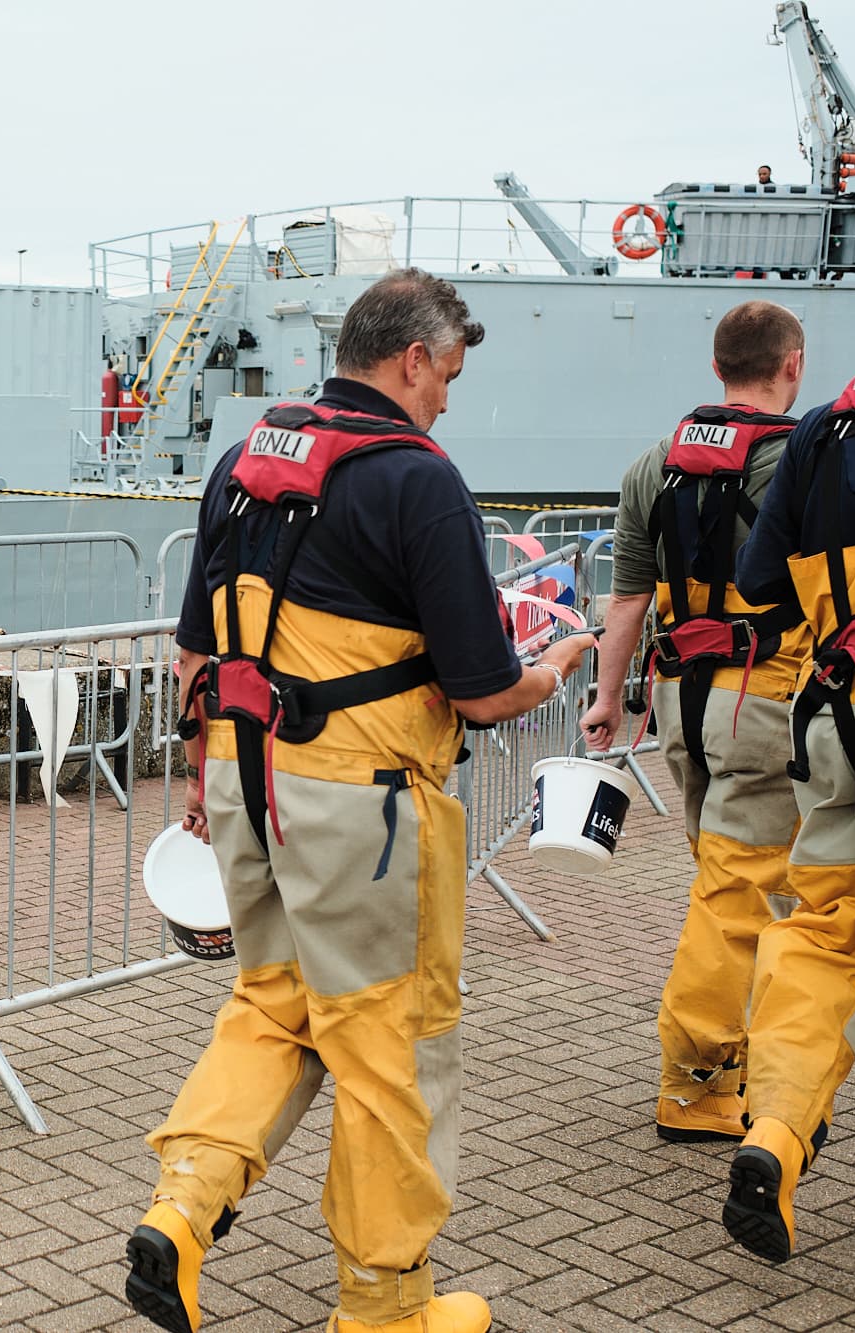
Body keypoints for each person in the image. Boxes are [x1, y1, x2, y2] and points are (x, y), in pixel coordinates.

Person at [128, 270, 594, 1333]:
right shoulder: (417, 479)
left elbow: (196, 651)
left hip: (250, 788)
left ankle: (182, 1210)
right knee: (390, 1050)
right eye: (447, 379)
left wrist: (204, 771)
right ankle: (385, 1307)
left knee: (272, 1006)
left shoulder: (245, 459)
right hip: (364, 811)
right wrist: (556, 666)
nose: (446, 403)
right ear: (411, 360)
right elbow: (478, 690)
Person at [579, 301, 811, 1144]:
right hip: (767, 698)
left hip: (683, 703)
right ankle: (699, 1081)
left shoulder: (655, 465)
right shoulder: (801, 460)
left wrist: (607, 699)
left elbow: (628, 599)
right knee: (739, 891)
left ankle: (733, 1059)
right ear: (793, 364)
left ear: (717, 368)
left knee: (721, 877)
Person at [721, 353, 855, 1261]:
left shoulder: (822, 430)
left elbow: (760, 586)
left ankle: (777, 1131)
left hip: (841, 719)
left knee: (830, 933)